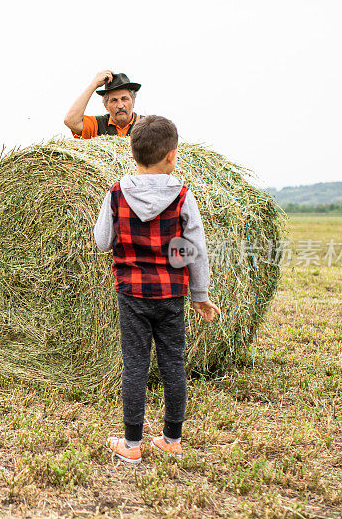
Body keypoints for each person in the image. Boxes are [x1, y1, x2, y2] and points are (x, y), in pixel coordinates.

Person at [92, 115, 220, 464]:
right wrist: (200, 295)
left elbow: (102, 241)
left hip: (132, 293)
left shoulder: (116, 192)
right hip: (171, 295)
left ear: (132, 155)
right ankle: (172, 439)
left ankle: (131, 445)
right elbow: (195, 249)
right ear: (172, 156)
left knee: (135, 367)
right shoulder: (182, 196)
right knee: (173, 364)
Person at [64, 71, 144, 139]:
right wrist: (94, 84)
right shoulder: (97, 125)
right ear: (106, 106)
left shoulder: (148, 126)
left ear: (133, 102)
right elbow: (70, 121)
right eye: (114, 100)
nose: (120, 105)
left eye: (124, 99)